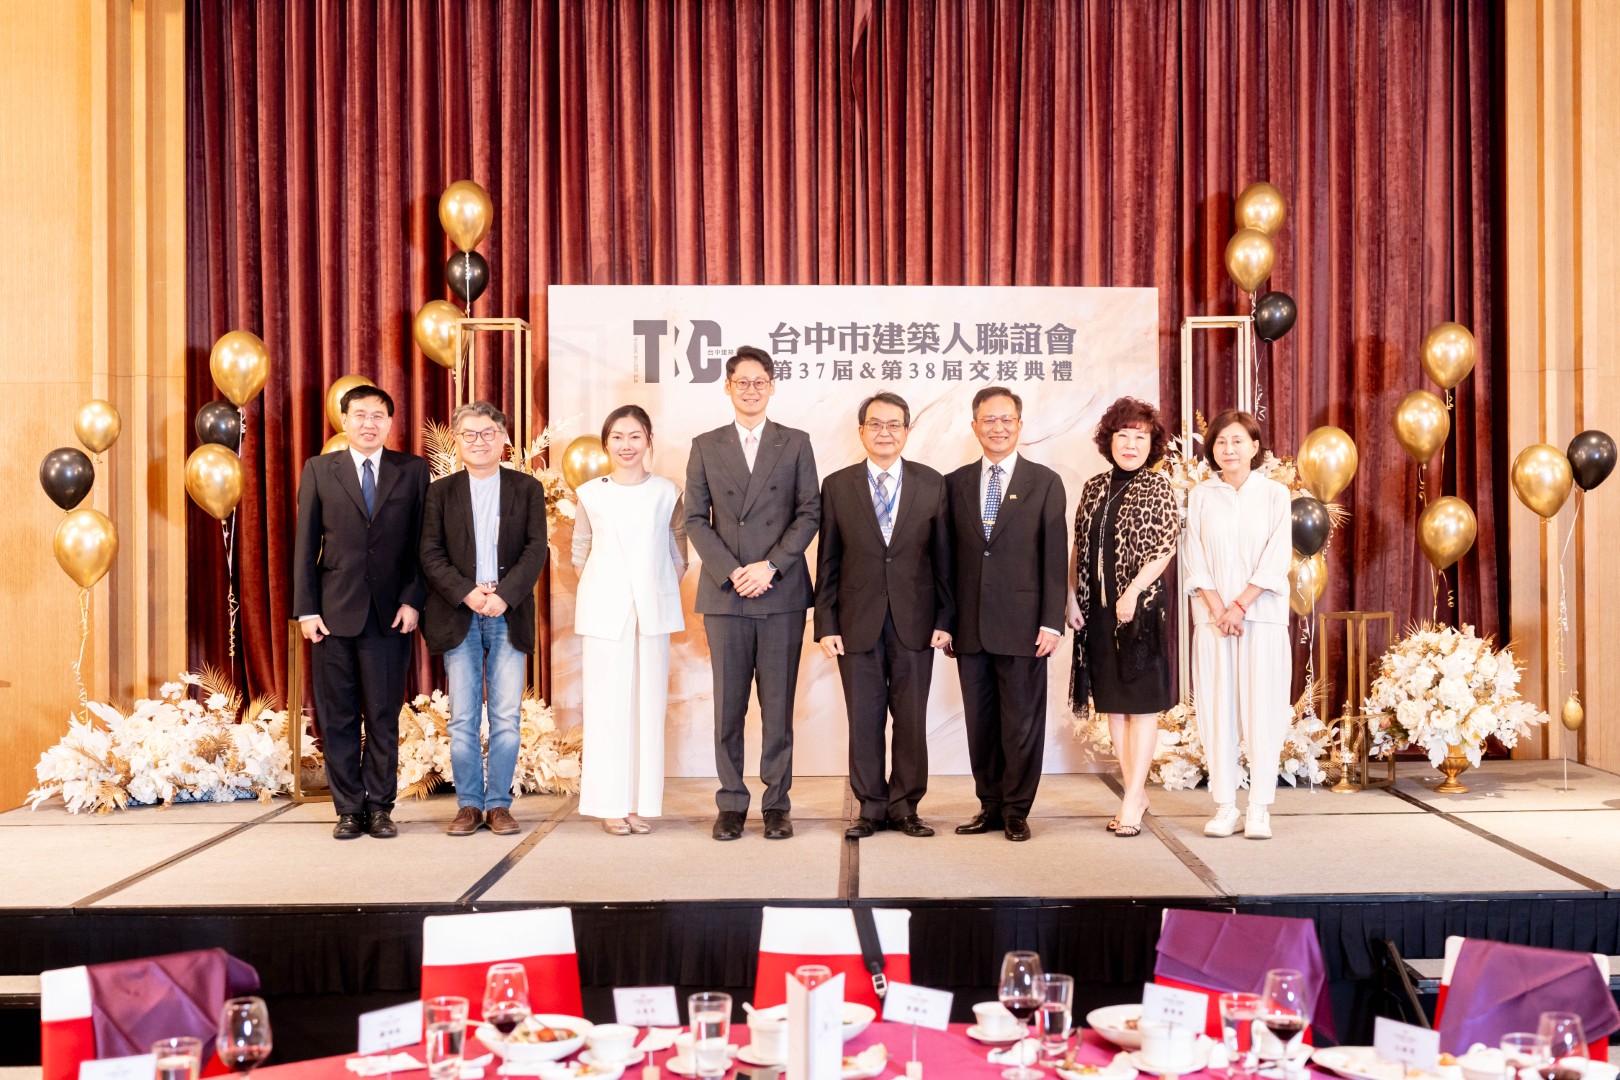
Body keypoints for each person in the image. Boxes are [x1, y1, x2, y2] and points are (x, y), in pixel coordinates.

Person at [685, 345, 820, 841]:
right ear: (727, 387)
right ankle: (731, 803)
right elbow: (695, 518)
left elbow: (810, 511)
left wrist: (771, 566)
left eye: (759, 381)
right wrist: (732, 571)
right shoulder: (706, 445)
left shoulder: (796, 442)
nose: (750, 389)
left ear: (772, 386)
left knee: (778, 707)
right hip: (726, 595)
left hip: (780, 592)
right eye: (741, 381)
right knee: (729, 707)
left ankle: (777, 804)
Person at [814, 391, 955, 840]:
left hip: (916, 621)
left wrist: (945, 618)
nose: (884, 432)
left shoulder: (932, 483)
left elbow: (945, 560)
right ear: (861, 432)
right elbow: (828, 559)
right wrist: (825, 623)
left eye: (894, 424)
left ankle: (906, 806)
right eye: (875, 424)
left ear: (907, 431)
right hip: (856, 622)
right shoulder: (837, 485)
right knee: (865, 718)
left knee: (910, 720)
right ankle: (870, 807)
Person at [292, 384, 429, 841]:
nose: (369, 423)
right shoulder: (319, 469)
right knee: (339, 718)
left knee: (384, 715)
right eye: (360, 415)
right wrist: (307, 610)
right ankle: (348, 808)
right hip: (333, 615)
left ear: (390, 422)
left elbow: (422, 545)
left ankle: (380, 807)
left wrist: (413, 599)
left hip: (391, 616)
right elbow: (305, 545)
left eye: (378, 416)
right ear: (345, 420)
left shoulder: (412, 471)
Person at [419, 402, 551, 838]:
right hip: (459, 611)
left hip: (508, 612)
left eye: (488, 433)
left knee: (507, 717)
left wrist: (504, 596)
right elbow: (430, 553)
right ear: (457, 441)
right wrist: (468, 593)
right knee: (462, 718)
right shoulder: (440, 492)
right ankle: (469, 805)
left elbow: (536, 549)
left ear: (503, 438)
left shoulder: (526, 488)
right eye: (470, 434)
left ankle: (498, 805)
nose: (479, 442)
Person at [945, 386, 1068, 842]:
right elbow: (945, 559)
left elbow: (1054, 557)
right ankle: (990, 806)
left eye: (1006, 419)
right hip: (970, 626)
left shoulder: (1045, 481)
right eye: (988, 420)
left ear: (1019, 424)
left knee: (1021, 723)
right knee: (981, 724)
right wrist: (946, 621)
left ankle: (1017, 810)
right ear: (974, 425)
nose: (997, 428)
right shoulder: (954, 483)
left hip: (1025, 626)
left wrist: (1051, 621)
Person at [1066, 397, 1180, 839]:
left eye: (1140, 437)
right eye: (1123, 435)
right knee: (1113, 704)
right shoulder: (1094, 487)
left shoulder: (1158, 486)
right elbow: (1080, 546)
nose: (1130, 444)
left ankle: (1132, 797)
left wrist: (1132, 592)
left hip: (1141, 609)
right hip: (1097, 610)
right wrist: (1071, 597)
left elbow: (1165, 547)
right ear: (1109, 440)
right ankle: (1135, 792)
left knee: (1141, 704)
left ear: (1151, 444)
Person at [573, 405, 688, 835]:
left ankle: (638, 803)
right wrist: (612, 590)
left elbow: (679, 552)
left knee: (647, 708)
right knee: (607, 709)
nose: (626, 445)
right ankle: (609, 803)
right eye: (617, 437)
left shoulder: (667, 491)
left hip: (653, 614)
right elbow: (580, 553)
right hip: (605, 616)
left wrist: (653, 589)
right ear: (606, 443)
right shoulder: (591, 493)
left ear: (648, 441)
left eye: (635, 436)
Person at [1180, 408, 1292, 840]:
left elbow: (1276, 556)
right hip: (1213, 621)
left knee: (1263, 708)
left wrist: (1241, 606)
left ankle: (1259, 807)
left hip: (1261, 618)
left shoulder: (1275, 494)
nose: (1229, 449)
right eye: (1221, 442)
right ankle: (1225, 805)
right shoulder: (1201, 495)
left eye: (1237, 441)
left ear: (1254, 447)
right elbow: (1194, 557)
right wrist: (1219, 609)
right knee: (1216, 709)